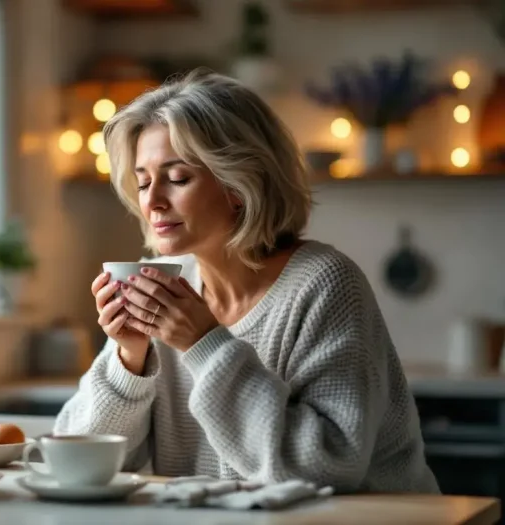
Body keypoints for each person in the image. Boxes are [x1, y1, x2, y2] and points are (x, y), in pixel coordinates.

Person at [53, 68, 439, 494]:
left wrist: (205, 344)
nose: (152, 200)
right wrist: (129, 359)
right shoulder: (166, 286)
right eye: (143, 182)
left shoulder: (325, 284)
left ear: (239, 183)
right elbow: (75, 457)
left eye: (178, 178)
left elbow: (327, 469)